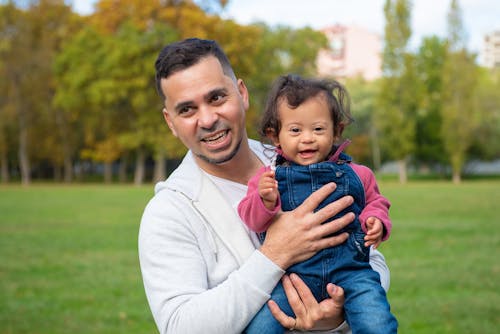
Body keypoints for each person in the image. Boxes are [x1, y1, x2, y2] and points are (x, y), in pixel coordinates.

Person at [138, 37, 391, 334]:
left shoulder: (306, 158)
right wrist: (274, 255)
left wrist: (337, 314)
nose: (207, 119)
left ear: (242, 94)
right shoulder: (169, 211)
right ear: (171, 122)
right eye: (187, 110)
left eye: (217, 98)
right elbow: (181, 327)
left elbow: (373, 261)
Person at [238, 75, 398, 333]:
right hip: (293, 279)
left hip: (352, 274)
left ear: (337, 131)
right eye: (295, 130)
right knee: (260, 327)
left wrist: (376, 220)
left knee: (376, 321)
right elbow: (252, 220)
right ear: (275, 136)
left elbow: (376, 202)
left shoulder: (359, 174)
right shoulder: (267, 178)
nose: (308, 138)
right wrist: (264, 201)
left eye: (318, 129)